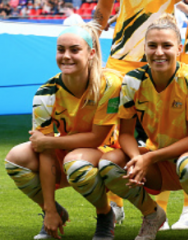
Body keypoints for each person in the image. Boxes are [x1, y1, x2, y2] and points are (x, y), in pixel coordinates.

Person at [93, 0, 188, 229]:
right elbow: (104, 9)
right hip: (122, 56)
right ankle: (116, 204)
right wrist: (90, 36)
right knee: (113, 132)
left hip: (162, 55)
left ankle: (165, 208)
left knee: (162, 130)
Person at [99, 15, 188, 240]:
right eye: (152, 45)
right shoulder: (132, 81)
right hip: (158, 159)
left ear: (179, 49)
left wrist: (149, 158)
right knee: (108, 164)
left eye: (167, 45)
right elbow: (125, 133)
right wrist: (138, 158)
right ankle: (152, 214)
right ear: (143, 48)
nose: (159, 52)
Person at [4, 23, 122, 240]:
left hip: (108, 152)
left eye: (74, 50)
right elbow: (44, 150)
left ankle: (106, 214)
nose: (66, 56)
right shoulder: (46, 93)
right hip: (69, 150)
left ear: (91, 53)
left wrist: (50, 143)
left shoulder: (110, 83)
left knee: (75, 163)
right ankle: (55, 212)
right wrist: (48, 208)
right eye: (61, 50)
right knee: (15, 158)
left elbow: (98, 137)